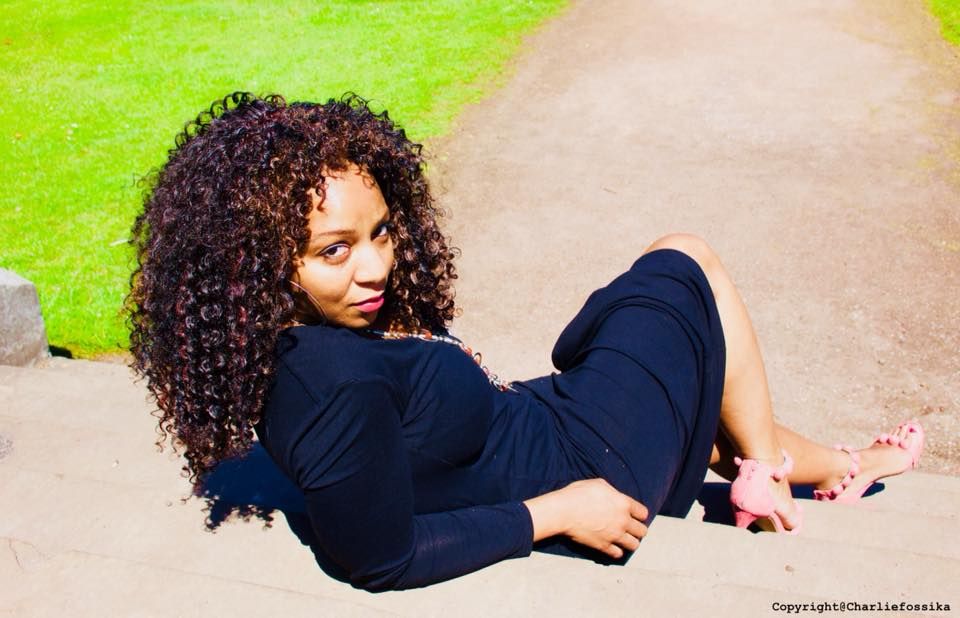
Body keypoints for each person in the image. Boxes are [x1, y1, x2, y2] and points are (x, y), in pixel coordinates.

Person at [127, 92, 925, 592]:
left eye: (380, 233)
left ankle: (835, 467)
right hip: (592, 471)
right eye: (334, 250)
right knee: (686, 260)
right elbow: (377, 558)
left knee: (700, 394)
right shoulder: (331, 389)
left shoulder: (297, 338)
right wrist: (559, 512)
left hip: (546, 423)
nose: (375, 267)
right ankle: (773, 473)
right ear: (259, 261)